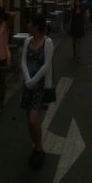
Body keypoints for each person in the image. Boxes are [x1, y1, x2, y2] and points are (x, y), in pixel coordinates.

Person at [20, 13, 54, 169]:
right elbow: (23, 62)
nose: (27, 25)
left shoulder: (48, 42)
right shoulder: (27, 41)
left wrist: (33, 82)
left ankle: (39, 149)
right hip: (28, 85)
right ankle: (35, 146)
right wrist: (28, 81)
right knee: (29, 121)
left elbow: (47, 65)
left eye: (30, 23)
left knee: (34, 119)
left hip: (40, 87)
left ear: (37, 26)